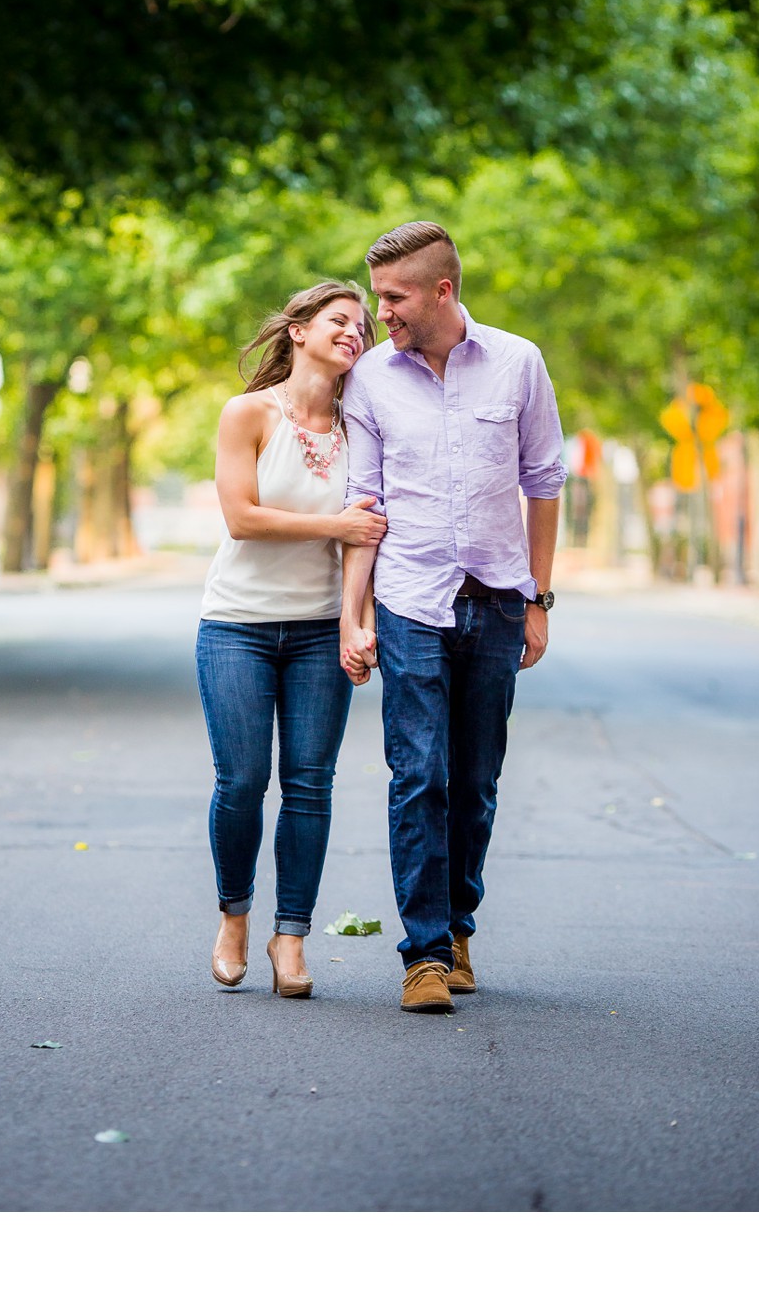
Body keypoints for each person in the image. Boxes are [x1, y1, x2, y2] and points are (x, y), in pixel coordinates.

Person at [339, 222, 566, 1013]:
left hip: (498, 599)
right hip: (409, 601)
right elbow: (360, 504)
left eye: (394, 296)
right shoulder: (369, 378)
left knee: (474, 781)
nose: (381, 311)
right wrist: (353, 616)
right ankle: (424, 954)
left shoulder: (517, 362)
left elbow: (543, 480)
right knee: (417, 776)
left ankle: (458, 922)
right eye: (377, 296)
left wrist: (538, 597)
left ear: (441, 291)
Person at [196, 281, 385, 999]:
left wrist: (351, 623)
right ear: (298, 331)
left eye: (362, 327)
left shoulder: (358, 431)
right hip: (236, 625)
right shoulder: (247, 413)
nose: (354, 333)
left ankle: (291, 937)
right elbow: (241, 517)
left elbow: (364, 541)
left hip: (315, 634)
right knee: (241, 782)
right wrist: (333, 525)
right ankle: (235, 917)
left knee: (310, 785)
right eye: (339, 320)